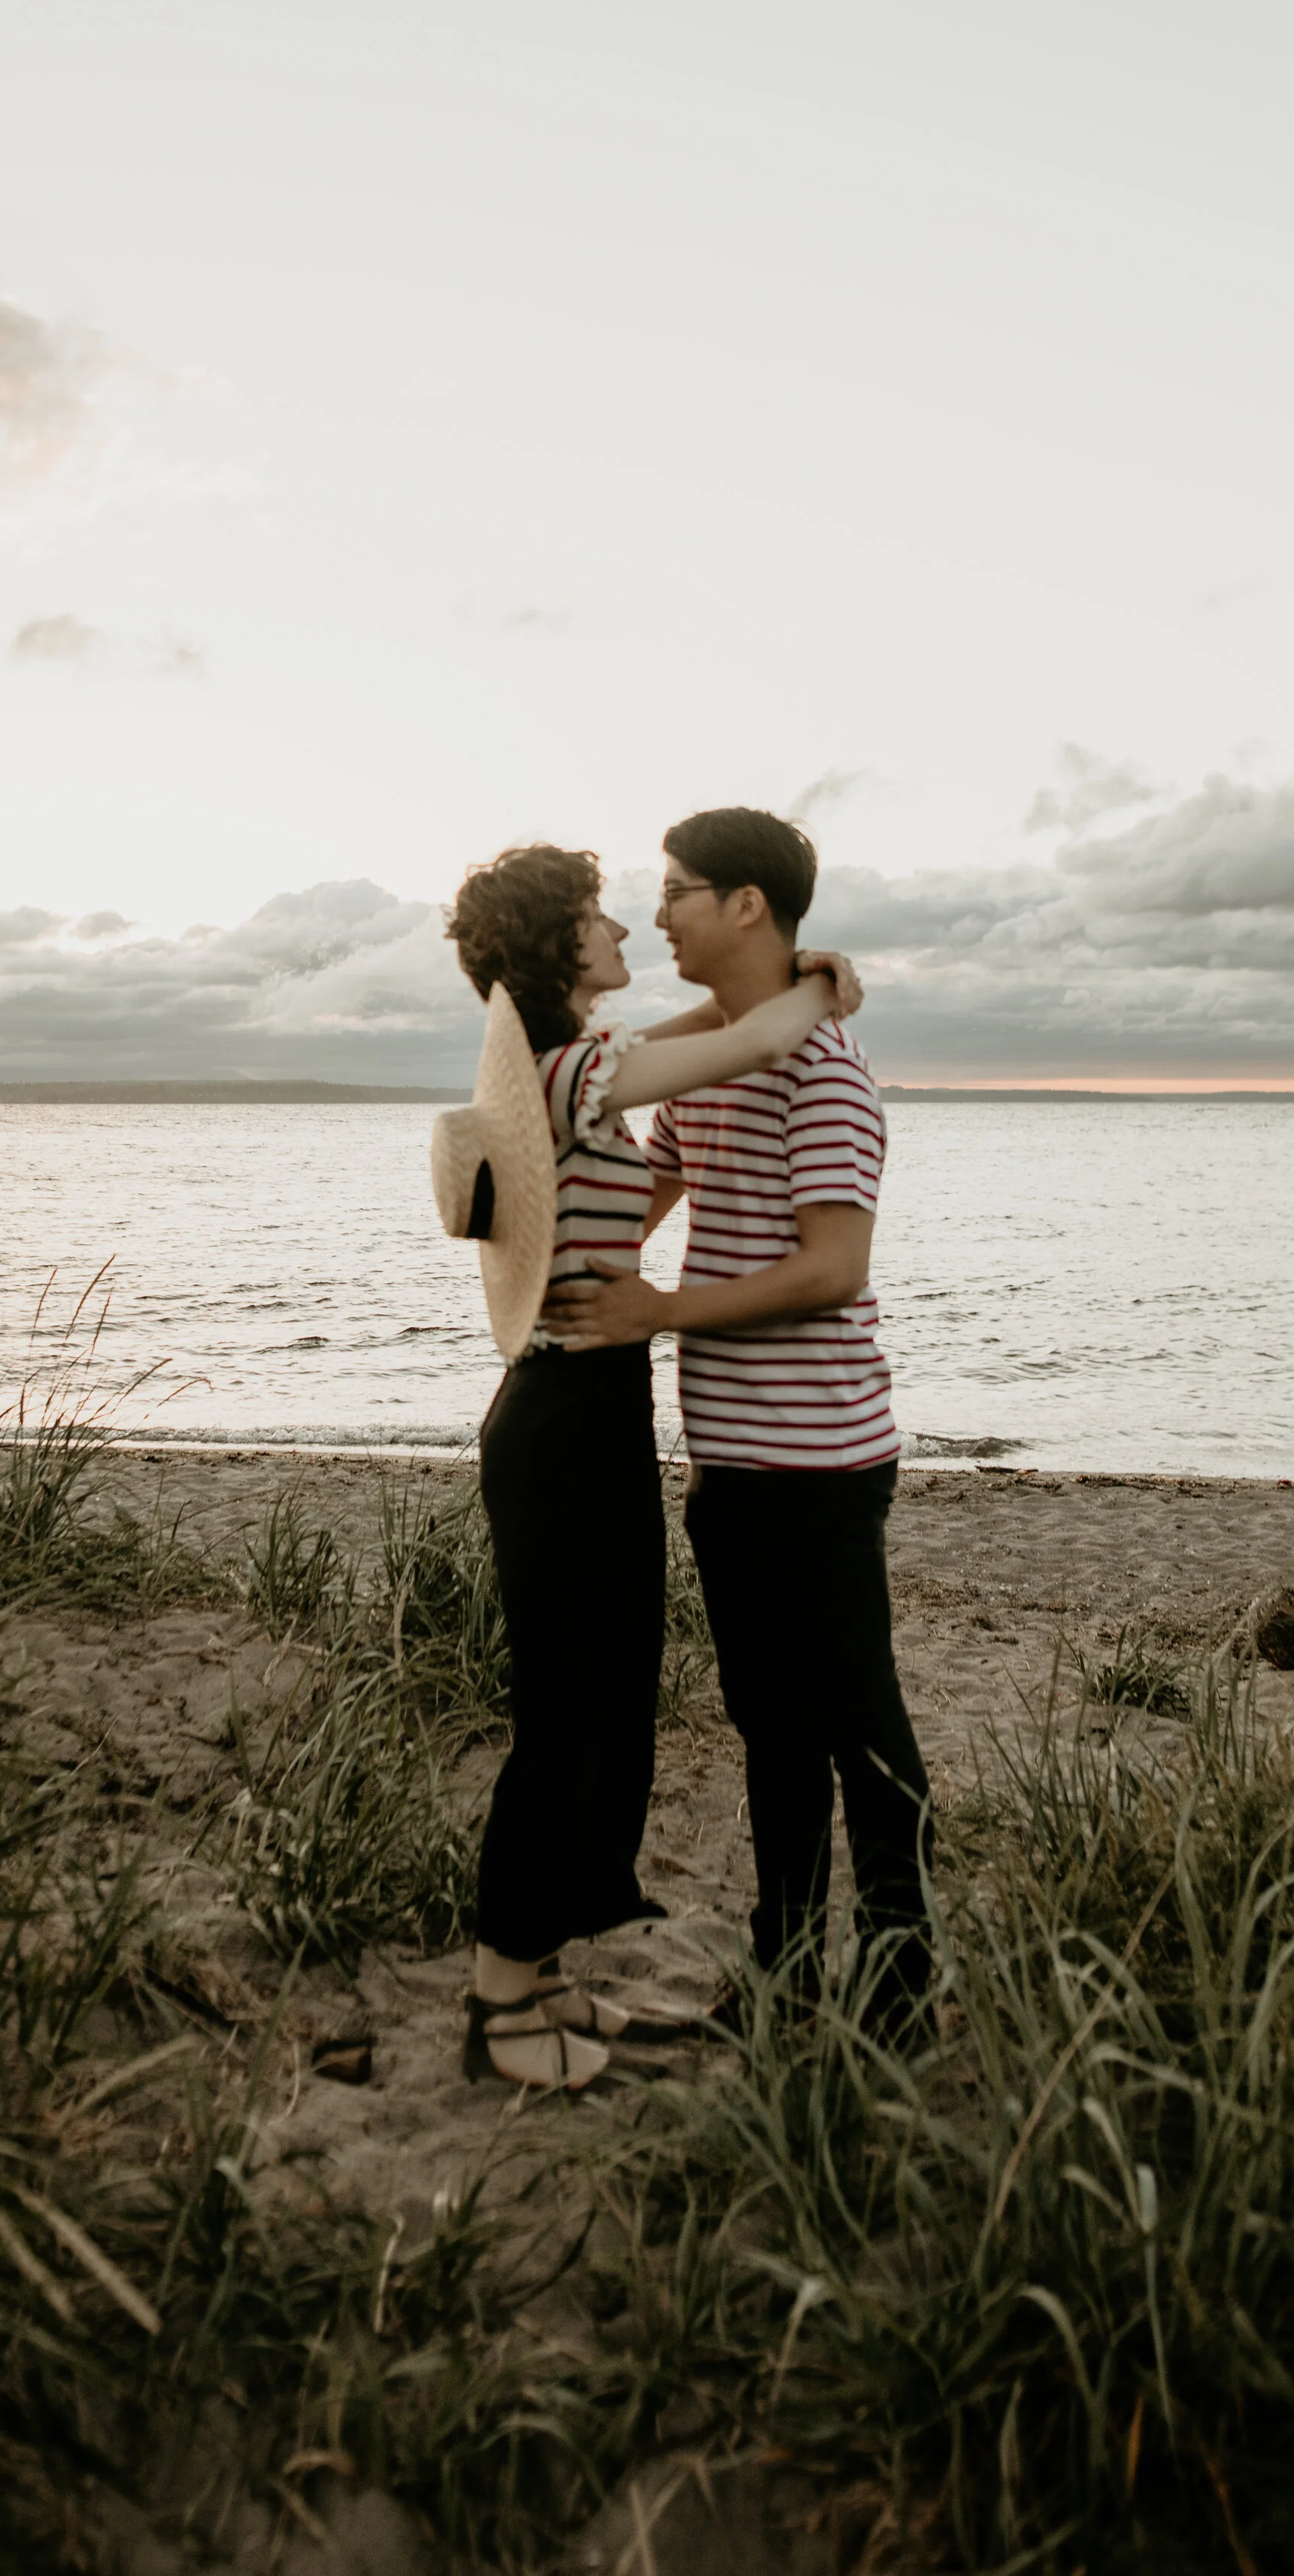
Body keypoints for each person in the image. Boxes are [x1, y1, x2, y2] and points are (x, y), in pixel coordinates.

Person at [438, 841, 863, 2092]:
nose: (621, 923)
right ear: (560, 947)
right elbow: (735, 1048)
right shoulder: (585, 1073)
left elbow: (694, 1032)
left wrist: (768, 997)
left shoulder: (571, 1069)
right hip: (570, 1421)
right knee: (572, 1712)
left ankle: (548, 1971)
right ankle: (499, 1997)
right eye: (594, 914)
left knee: (604, 1700)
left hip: (582, 1408)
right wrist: (818, 994)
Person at [542, 807, 933, 2037]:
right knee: (770, 1730)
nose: (658, 914)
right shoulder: (722, 1065)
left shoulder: (822, 1075)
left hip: (818, 1459)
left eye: (678, 892)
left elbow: (832, 1270)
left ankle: (903, 1992)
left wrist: (658, 1310)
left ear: (748, 906)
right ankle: (781, 1979)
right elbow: (649, 1182)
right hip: (730, 1459)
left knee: (862, 1729)